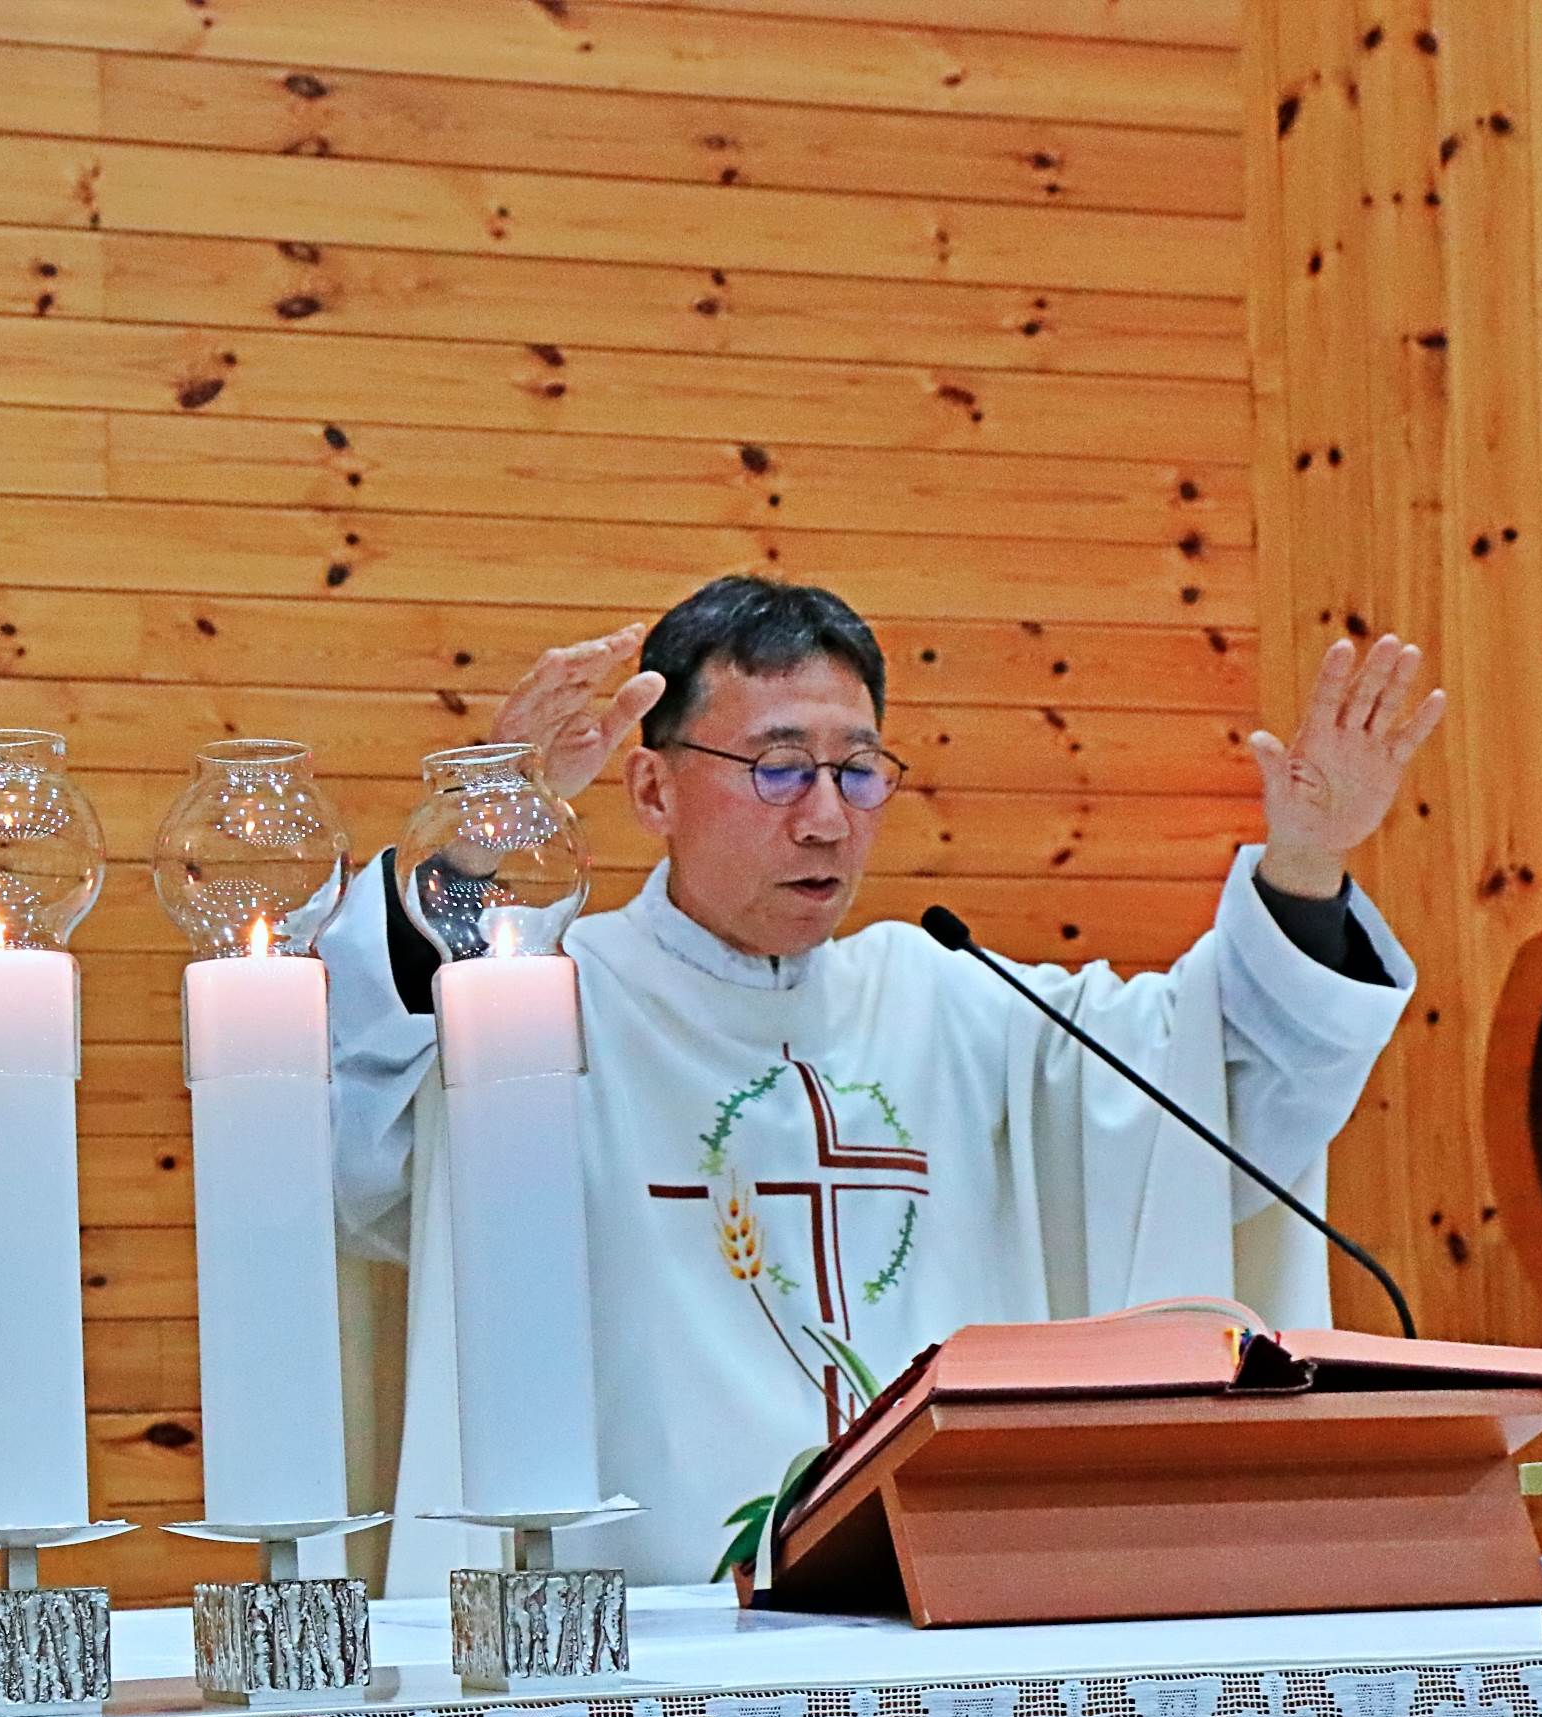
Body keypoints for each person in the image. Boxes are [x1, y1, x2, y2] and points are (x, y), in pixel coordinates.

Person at [322, 574, 1444, 1590]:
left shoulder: (948, 999)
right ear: (653, 788)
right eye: (776, 768)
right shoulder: (546, 1009)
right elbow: (359, 1118)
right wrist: (476, 838)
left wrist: (1307, 861)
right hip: (637, 1628)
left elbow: (1219, 1098)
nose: (825, 820)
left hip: (943, 1607)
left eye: (857, 771)